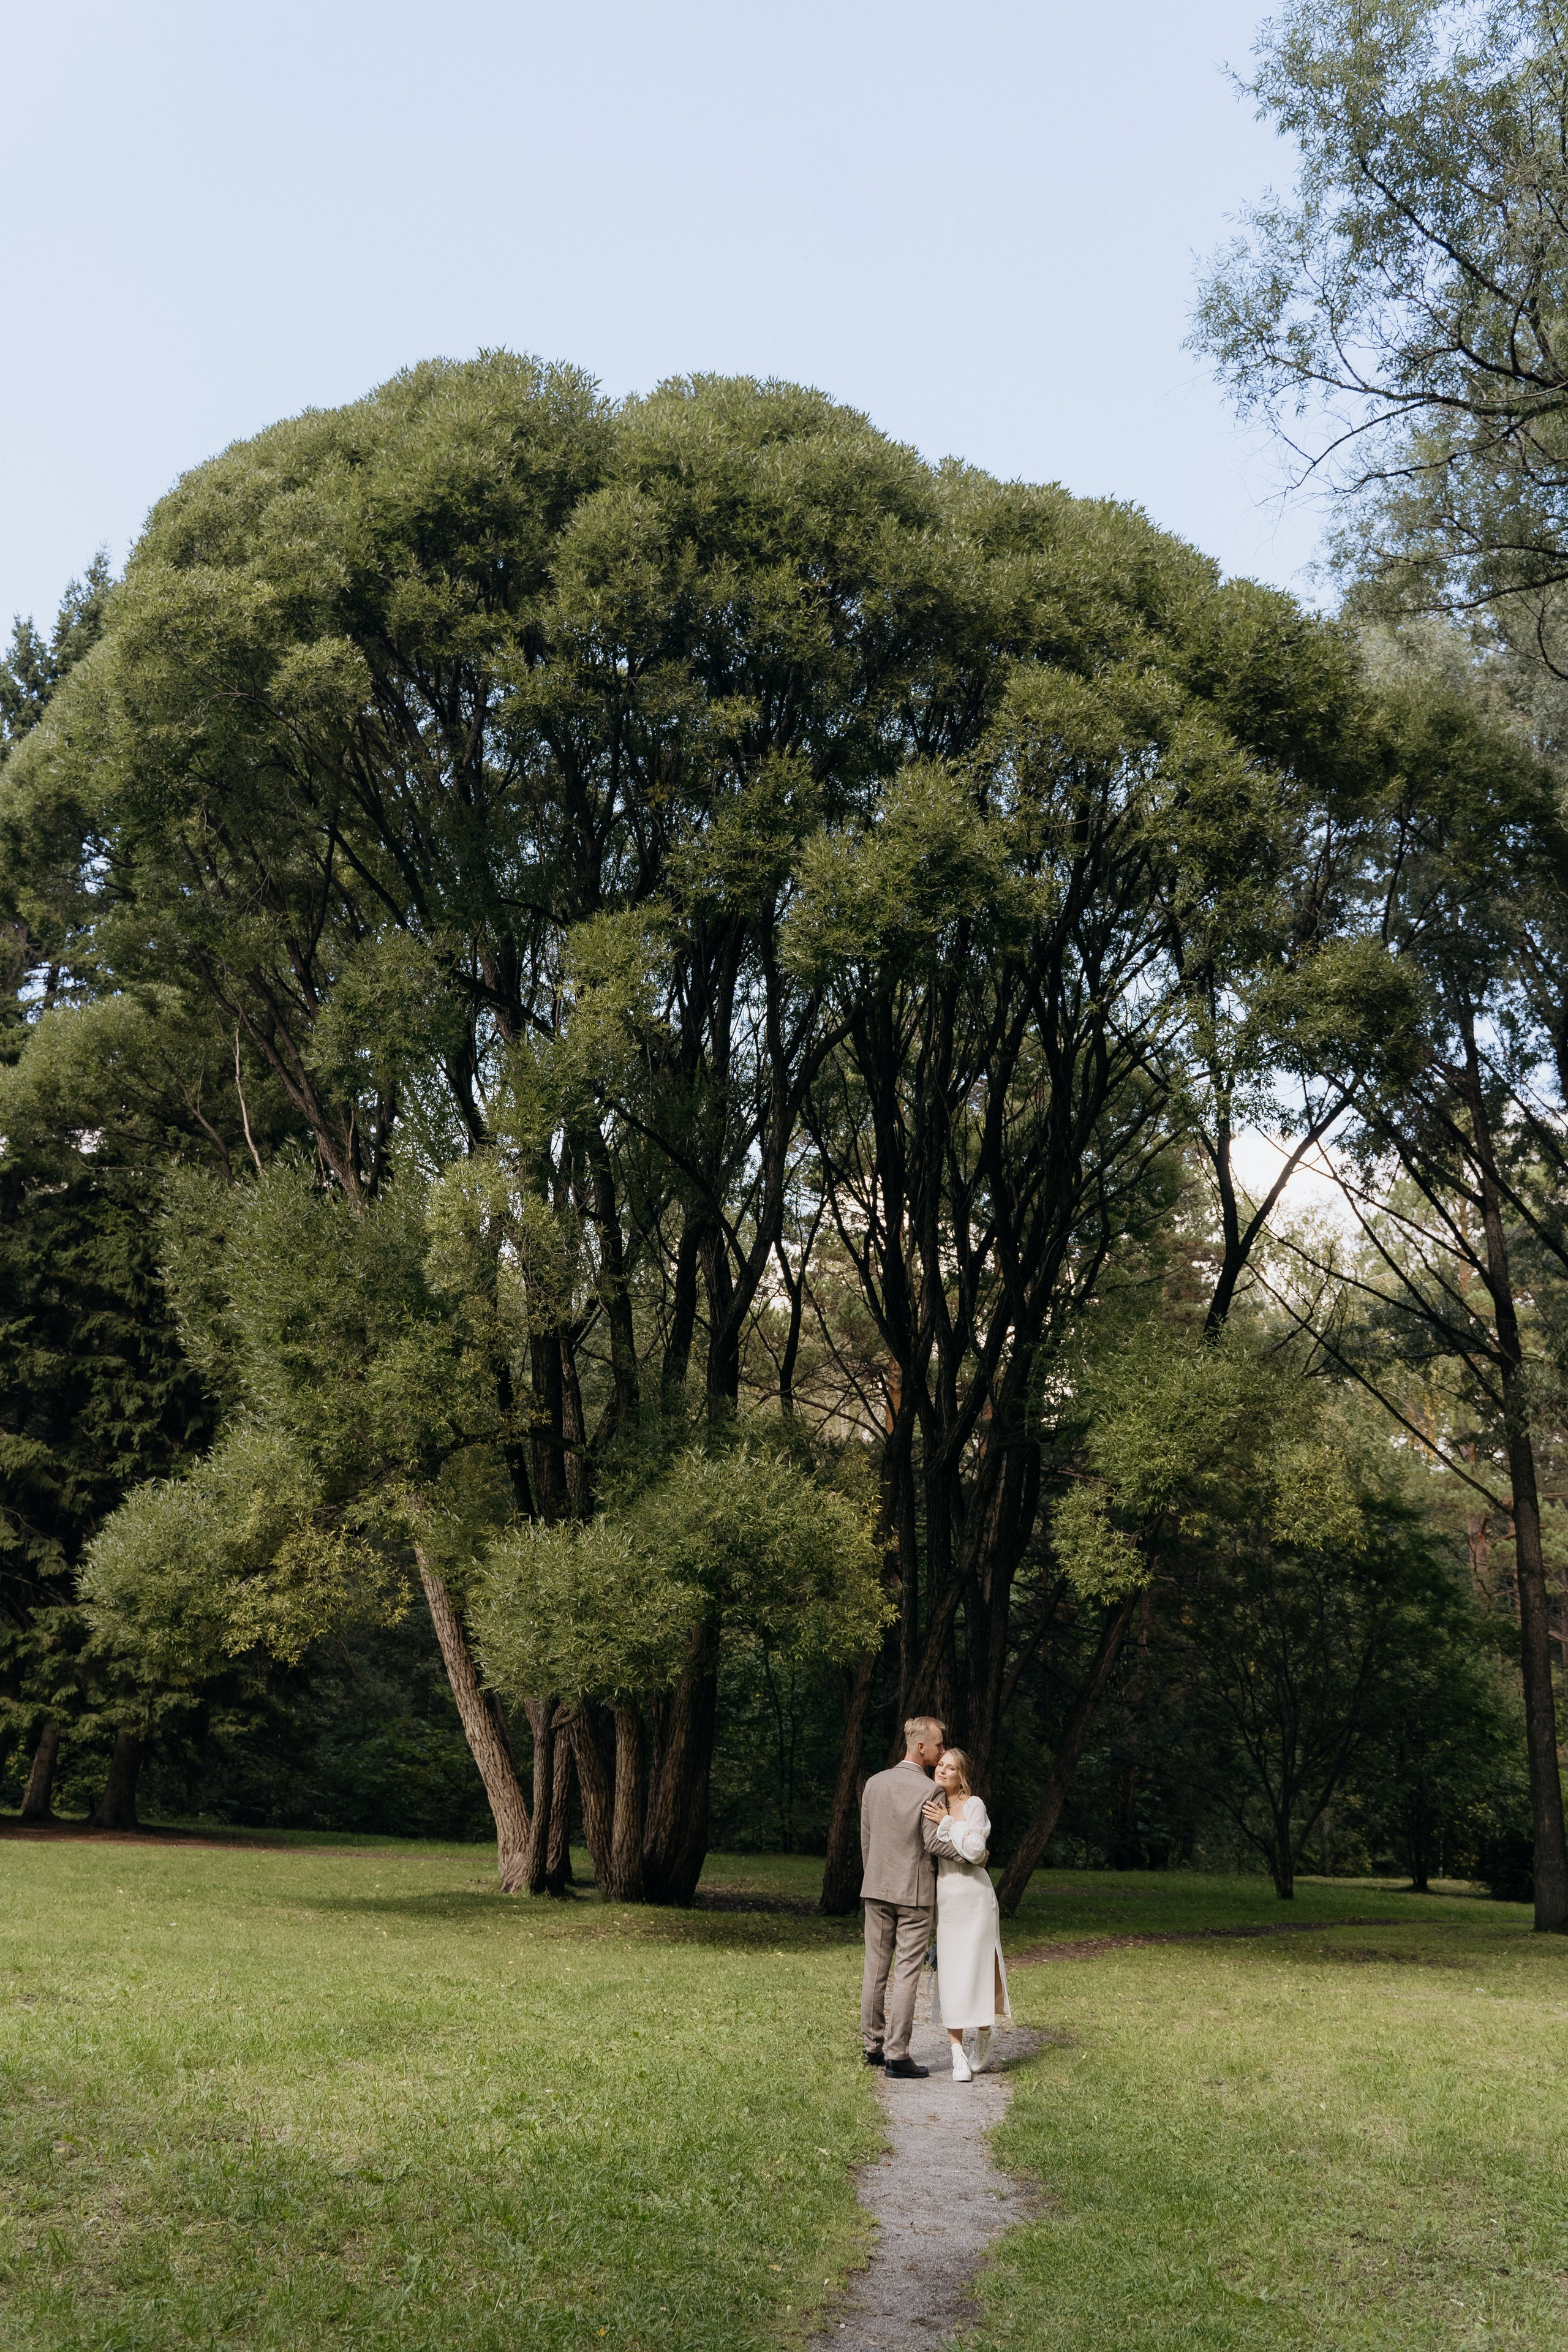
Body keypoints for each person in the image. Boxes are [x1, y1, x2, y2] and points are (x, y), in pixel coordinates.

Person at [859, 1714, 946, 2078]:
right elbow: (932, 1843)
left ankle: (872, 2047)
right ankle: (898, 2055)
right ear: (921, 1746)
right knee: (906, 1972)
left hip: (876, 1887)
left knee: (875, 1969)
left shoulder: (874, 1784)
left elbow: (867, 1841)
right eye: (939, 1745)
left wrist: (874, 1877)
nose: (942, 1752)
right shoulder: (931, 1791)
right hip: (914, 1893)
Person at [922, 1747, 1011, 2081]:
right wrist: (940, 1818)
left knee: (977, 1969)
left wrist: (947, 1822)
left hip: (976, 1897)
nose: (943, 1771)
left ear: (962, 1776)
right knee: (951, 1972)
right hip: (947, 1897)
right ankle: (956, 2053)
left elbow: (976, 1852)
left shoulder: (973, 1805)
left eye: (951, 1768)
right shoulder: (930, 1803)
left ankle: (985, 2033)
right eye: (941, 1765)